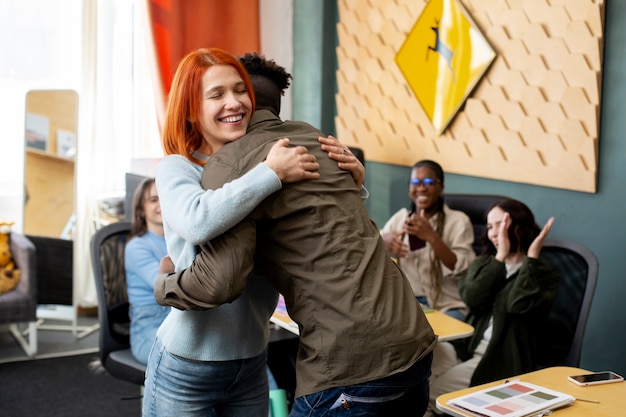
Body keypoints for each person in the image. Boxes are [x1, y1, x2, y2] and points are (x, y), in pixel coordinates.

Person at [155, 52, 437, 416]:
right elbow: (198, 223)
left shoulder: (271, 156)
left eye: (239, 90)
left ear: (253, 99)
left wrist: (354, 184)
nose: (233, 102)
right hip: (193, 354)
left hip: (281, 354)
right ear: (190, 108)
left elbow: (322, 233)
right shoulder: (289, 148)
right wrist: (270, 173)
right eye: (216, 94)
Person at [425, 198, 561, 416]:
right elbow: (472, 298)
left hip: (496, 359)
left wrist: (532, 259)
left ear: (520, 225)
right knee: (419, 373)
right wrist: (499, 258)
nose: (494, 232)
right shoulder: (485, 263)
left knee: (431, 396)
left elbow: (516, 305)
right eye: (490, 227)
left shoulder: (543, 274)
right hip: (465, 347)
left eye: (501, 224)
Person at [380, 160, 475, 320]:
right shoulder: (402, 217)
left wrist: (432, 237)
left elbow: (462, 268)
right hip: (409, 304)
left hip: (447, 306)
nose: (421, 188)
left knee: (437, 342)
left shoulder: (459, 221)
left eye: (429, 182)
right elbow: (370, 248)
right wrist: (383, 239)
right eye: (415, 182)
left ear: (441, 187)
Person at [124, 177, 170, 364]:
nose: (161, 204)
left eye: (164, 197)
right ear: (141, 210)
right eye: (153, 200)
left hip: (182, 320)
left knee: (236, 348)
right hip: (149, 329)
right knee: (194, 361)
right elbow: (167, 287)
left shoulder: (184, 240)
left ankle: (270, 393)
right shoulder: (136, 247)